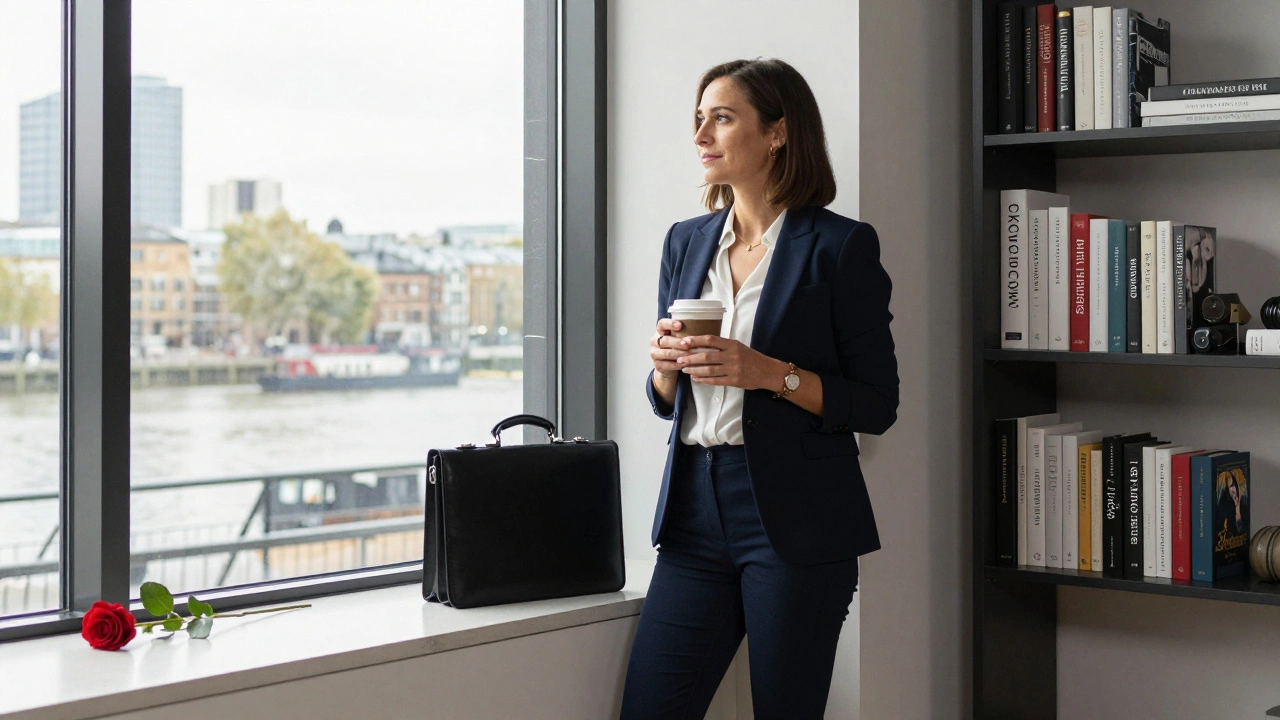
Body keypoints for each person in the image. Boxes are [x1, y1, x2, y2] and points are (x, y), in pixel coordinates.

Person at [620, 58, 899, 719]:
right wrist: (663, 369)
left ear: (776, 132)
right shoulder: (685, 243)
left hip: (796, 523)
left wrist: (770, 374)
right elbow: (667, 399)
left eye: (722, 117)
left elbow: (876, 404)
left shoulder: (839, 247)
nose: (701, 134)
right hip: (693, 510)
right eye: (698, 119)